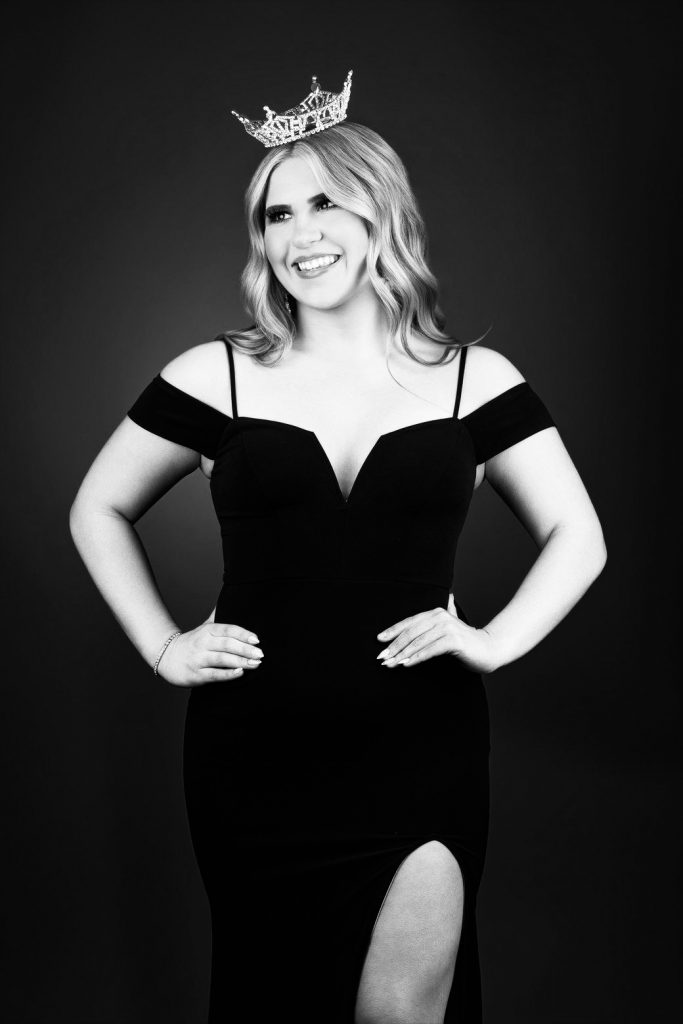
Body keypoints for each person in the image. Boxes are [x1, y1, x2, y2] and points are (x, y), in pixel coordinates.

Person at [69, 71, 606, 1024]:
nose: (299, 235)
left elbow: (579, 535)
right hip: (252, 754)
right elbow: (96, 508)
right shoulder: (214, 375)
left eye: (324, 204)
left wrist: (493, 641)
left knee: (402, 1012)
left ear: (379, 212)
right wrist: (162, 646)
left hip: (421, 746)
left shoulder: (475, 382)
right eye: (277, 214)